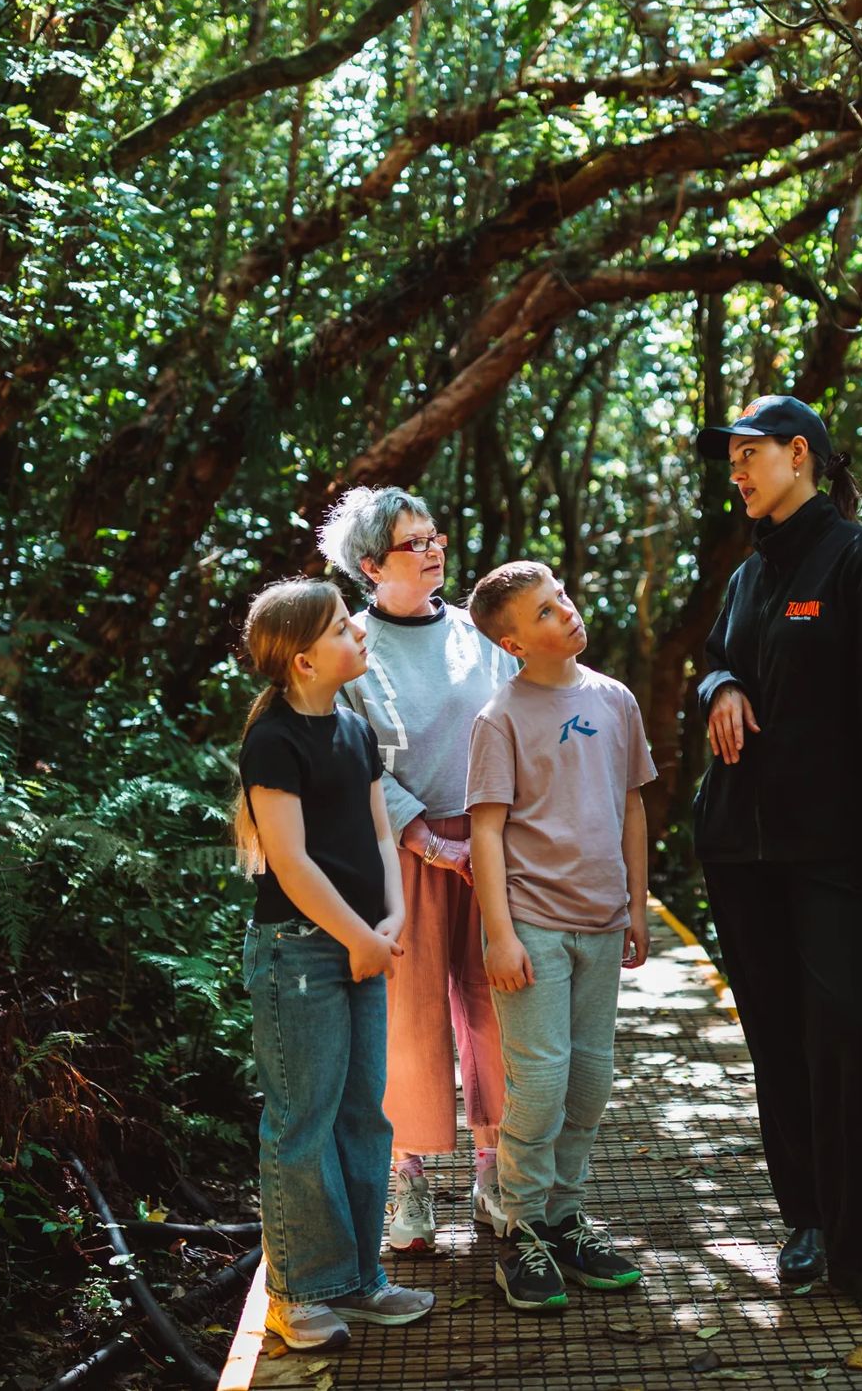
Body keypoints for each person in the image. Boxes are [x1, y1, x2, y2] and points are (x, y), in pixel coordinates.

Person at [692, 395, 862, 1321]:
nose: (737, 472)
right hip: (740, 849)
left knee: (842, 1039)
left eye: (750, 455)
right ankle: (805, 1223)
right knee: (776, 1040)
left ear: (801, 455)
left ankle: (857, 1249)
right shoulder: (750, 574)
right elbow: (716, 655)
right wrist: (719, 686)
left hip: (835, 851)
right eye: (731, 459)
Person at [234, 578, 437, 1350]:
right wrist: (357, 935)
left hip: (361, 945)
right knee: (302, 1121)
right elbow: (289, 860)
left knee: (362, 1113)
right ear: (302, 658)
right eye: (343, 628)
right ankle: (299, 1292)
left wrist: (392, 918)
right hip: (299, 953)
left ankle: (359, 1280)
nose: (359, 634)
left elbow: (381, 835)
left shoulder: (353, 729)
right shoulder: (274, 740)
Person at [317, 488, 514, 1251]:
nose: (432, 549)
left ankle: (495, 1169)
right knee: (410, 1016)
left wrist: (493, 836)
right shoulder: (353, 644)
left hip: (491, 845)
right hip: (398, 848)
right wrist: (429, 840)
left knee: (495, 1008)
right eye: (412, 542)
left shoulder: (478, 636)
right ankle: (410, 1181)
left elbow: (516, 727)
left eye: (434, 536)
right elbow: (352, 753)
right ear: (370, 565)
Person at [464, 561, 655, 1312]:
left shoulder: (615, 699)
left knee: (590, 1079)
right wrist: (499, 935)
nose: (566, 614)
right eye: (544, 612)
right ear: (514, 642)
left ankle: (564, 1217)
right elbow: (486, 831)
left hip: (603, 922)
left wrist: (636, 907)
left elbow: (633, 809)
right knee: (539, 1084)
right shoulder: (500, 717)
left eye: (563, 598)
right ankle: (519, 1229)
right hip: (533, 925)